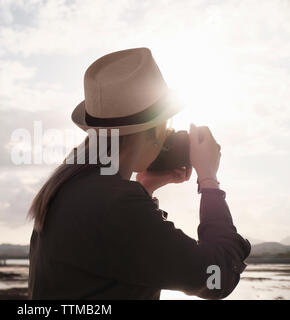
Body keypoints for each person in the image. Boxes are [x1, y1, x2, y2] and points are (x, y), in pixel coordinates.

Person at [27, 48, 251, 299]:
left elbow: (114, 257)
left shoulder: (66, 186)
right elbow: (216, 275)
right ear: (156, 131)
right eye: (167, 126)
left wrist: (145, 187)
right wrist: (209, 180)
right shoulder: (115, 205)